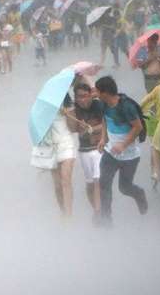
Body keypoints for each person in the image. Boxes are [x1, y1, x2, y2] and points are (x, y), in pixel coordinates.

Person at [95, 76, 148, 225]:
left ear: (105, 92)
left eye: (98, 91)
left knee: (124, 188)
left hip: (129, 156)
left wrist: (123, 145)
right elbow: (105, 119)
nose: (97, 94)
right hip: (110, 153)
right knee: (104, 184)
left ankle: (139, 194)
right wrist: (103, 139)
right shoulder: (103, 105)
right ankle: (106, 219)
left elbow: (138, 127)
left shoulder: (126, 107)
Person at [67, 84, 104, 219]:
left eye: (84, 96)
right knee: (89, 183)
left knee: (97, 180)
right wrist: (69, 114)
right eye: (78, 97)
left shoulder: (99, 106)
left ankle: (99, 212)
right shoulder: (74, 110)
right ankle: (96, 209)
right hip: (84, 150)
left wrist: (92, 129)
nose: (82, 100)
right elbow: (72, 129)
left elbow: (107, 124)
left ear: (90, 95)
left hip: (99, 148)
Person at [48, 95, 76, 218]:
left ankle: (69, 215)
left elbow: (74, 128)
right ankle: (63, 212)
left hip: (67, 145)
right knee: (58, 185)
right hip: (51, 148)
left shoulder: (69, 107)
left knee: (66, 181)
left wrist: (67, 114)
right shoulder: (45, 111)